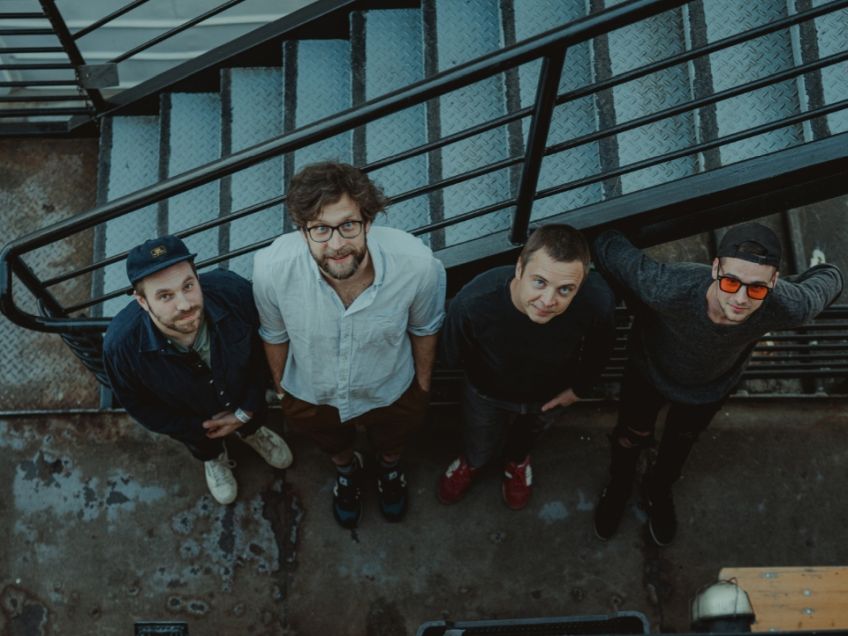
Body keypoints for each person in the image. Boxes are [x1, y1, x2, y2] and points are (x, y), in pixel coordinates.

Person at [591, 221, 843, 545]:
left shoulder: (789, 305)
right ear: (715, 269)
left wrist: (786, 290)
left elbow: (831, 276)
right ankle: (620, 484)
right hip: (648, 373)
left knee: (679, 444)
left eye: (756, 288)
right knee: (630, 436)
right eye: (731, 281)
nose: (740, 298)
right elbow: (606, 244)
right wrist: (629, 299)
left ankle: (658, 488)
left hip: (710, 387)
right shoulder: (666, 286)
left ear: (773, 282)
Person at [252, 161, 446, 529]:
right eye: (320, 229)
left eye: (348, 225)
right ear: (302, 231)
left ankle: (389, 470)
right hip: (312, 391)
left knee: (393, 439)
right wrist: (283, 391)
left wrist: (421, 387)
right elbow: (274, 334)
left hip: (390, 386)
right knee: (331, 442)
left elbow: (424, 328)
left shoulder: (417, 265)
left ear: (368, 222)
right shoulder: (271, 269)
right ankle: (346, 471)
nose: (337, 244)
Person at [103, 235, 293, 505]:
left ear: (197, 277)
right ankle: (213, 457)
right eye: (165, 296)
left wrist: (247, 411)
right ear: (142, 302)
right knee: (203, 445)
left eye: (188, 285)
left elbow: (264, 352)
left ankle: (252, 431)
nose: (184, 304)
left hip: (247, 400)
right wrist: (198, 429)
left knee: (254, 418)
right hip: (194, 424)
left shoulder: (234, 293)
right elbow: (138, 404)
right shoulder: (121, 347)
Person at [437, 224, 616, 509]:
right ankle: (473, 463)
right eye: (540, 282)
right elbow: (450, 351)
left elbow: (601, 348)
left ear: (581, 284)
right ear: (519, 268)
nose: (548, 301)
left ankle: (517, 463)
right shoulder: (474, 302)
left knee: (527, 438)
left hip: (549, 395)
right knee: (479, 437)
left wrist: (578, 390)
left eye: (565, 289)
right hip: (486, 392)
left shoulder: (596, 301)